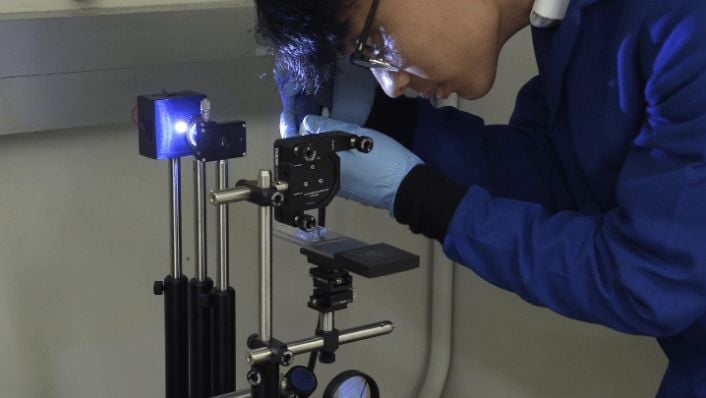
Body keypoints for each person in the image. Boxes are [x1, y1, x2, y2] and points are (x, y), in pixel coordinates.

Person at [254, 0, 706, 396]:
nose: (391, 83)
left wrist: (422, 197)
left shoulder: (684, 19)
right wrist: (390, 122)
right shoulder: (569, 24)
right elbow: (557, 179)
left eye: (372, 42)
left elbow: (653, 279)